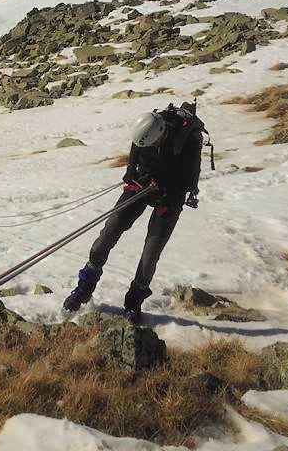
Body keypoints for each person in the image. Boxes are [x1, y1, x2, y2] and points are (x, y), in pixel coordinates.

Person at [63, 102, 208, 323]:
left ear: (161, 134)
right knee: (109, 231)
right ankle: (84, 287)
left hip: (170, 197)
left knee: (150, 253)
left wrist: (165, 185)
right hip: (142, 184)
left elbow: (189, 178)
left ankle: (133, 303)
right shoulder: (145, 130)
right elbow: (136, 146)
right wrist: (131, 171)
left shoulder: (188, 141)